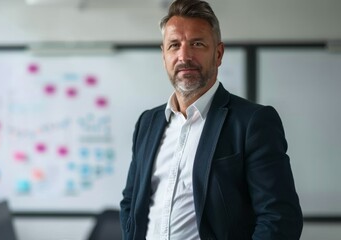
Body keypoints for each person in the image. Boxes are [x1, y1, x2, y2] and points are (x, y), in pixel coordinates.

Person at [119, 0, 303, 239]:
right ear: (164, 55)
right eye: (174, 45)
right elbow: (131, 204)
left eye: (197, 44)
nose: (184, 56)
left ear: (218, 53)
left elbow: (279, 217)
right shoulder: (148, 123)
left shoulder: (252, 122)